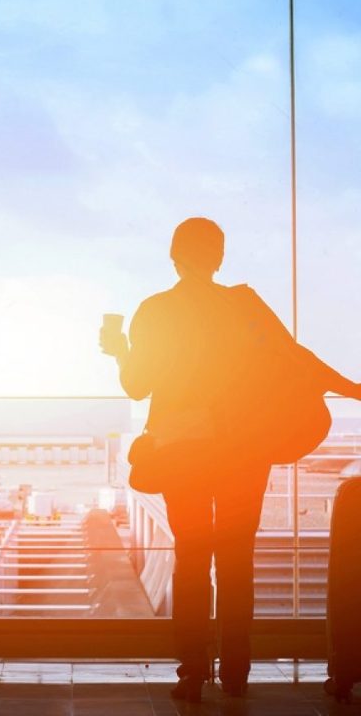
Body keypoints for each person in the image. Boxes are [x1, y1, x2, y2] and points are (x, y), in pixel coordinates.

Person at [99, 217, 361, 702]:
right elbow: (296, 357)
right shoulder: (244, 306)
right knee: (238, 561)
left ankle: (193, 673)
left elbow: (137, 385)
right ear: (219, 258)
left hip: (185, 453)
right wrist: (354, 390)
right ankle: (237, 673)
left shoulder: (157, 310)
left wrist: (120, 351)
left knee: (192, 560)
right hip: (245, 451)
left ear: (174, 255)